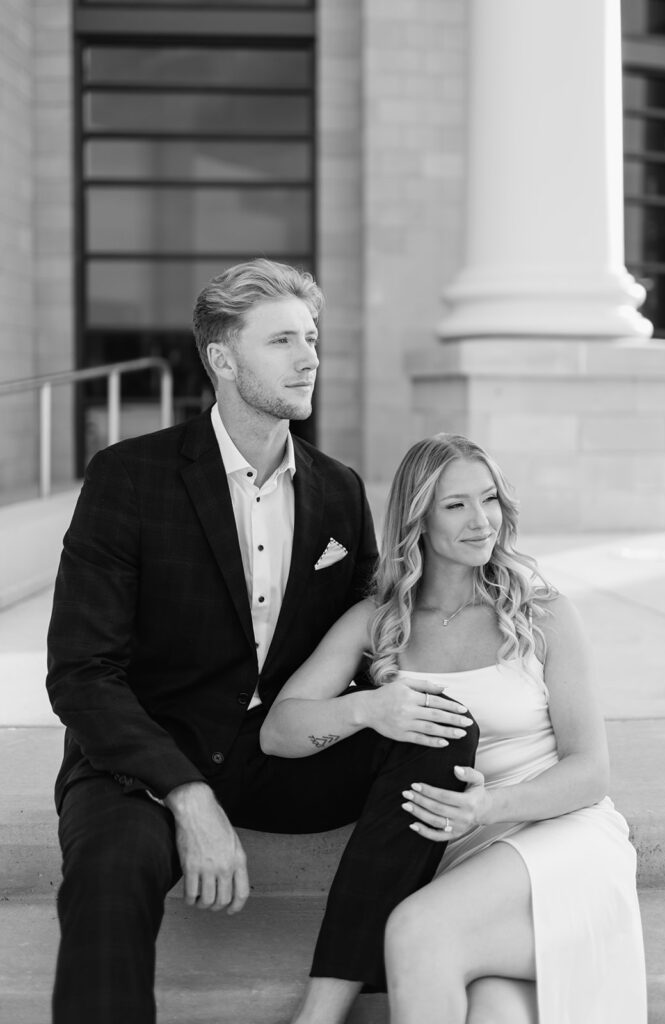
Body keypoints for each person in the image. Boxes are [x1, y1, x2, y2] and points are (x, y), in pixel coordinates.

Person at [45, 260, 478, 1024]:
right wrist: (186, 794)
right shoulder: (128, 478)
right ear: (222, 358)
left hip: (279, 750)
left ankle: (328, 1002)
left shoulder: (337, 488)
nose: (309, 357)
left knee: (440, 730)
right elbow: (81, 672)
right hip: (149, 752)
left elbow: (370, 636)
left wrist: (382, 698)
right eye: (281, 341)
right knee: (108, 871)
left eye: (310, 338)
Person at [261, 433, 647, 1024]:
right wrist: (368, 709)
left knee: (416, 931)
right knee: (494, 1013)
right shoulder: (378, 623)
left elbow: (590, 771)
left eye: (489, 499)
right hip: (461, 859)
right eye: (456, 505)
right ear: (418, 519)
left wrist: (487, 807)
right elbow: (278, 731)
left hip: (563, 838)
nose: (481, 520)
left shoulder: (542, 614)